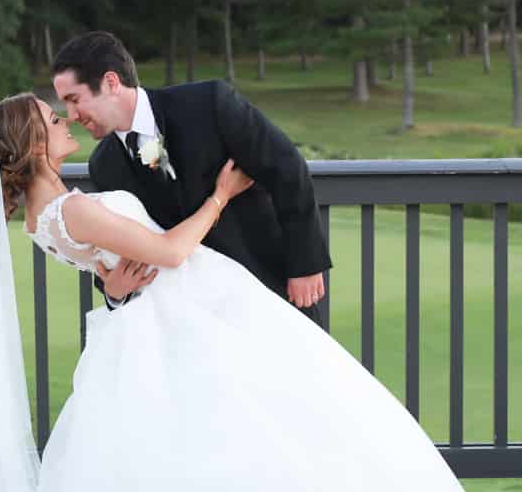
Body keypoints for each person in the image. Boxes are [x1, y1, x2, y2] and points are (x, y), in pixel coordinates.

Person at [0, 91, 479, 492]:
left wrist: (113, 286)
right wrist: (220, 195)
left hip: (159, 312)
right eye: (53, 117)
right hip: (180, 310)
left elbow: (115, 268)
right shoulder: (70, 211)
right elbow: (169, 252)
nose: (66, 121)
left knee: (228, 431)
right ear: (35, 143)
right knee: (263, 420)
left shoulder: (48, 214)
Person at [51, 31, 329, 319]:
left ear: (110, 83)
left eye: (74, 99)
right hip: (192, 321)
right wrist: (113, 294)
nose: (71, 115)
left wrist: (304, 265)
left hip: (267, 285)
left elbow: (286, 168)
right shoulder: (104, 165)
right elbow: (121, 251)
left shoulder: (208, 103)